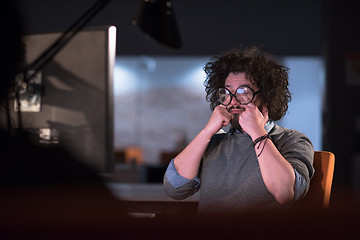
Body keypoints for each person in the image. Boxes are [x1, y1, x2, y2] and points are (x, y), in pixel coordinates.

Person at [163, 47, 315, 215]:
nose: (233, 101)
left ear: (266, 96)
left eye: (244, 92)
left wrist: (257, 132)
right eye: (227, 92)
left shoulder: (292, 140)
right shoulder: (214, 141)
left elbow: (284, 194)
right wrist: (207, 132)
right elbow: (174, 188)